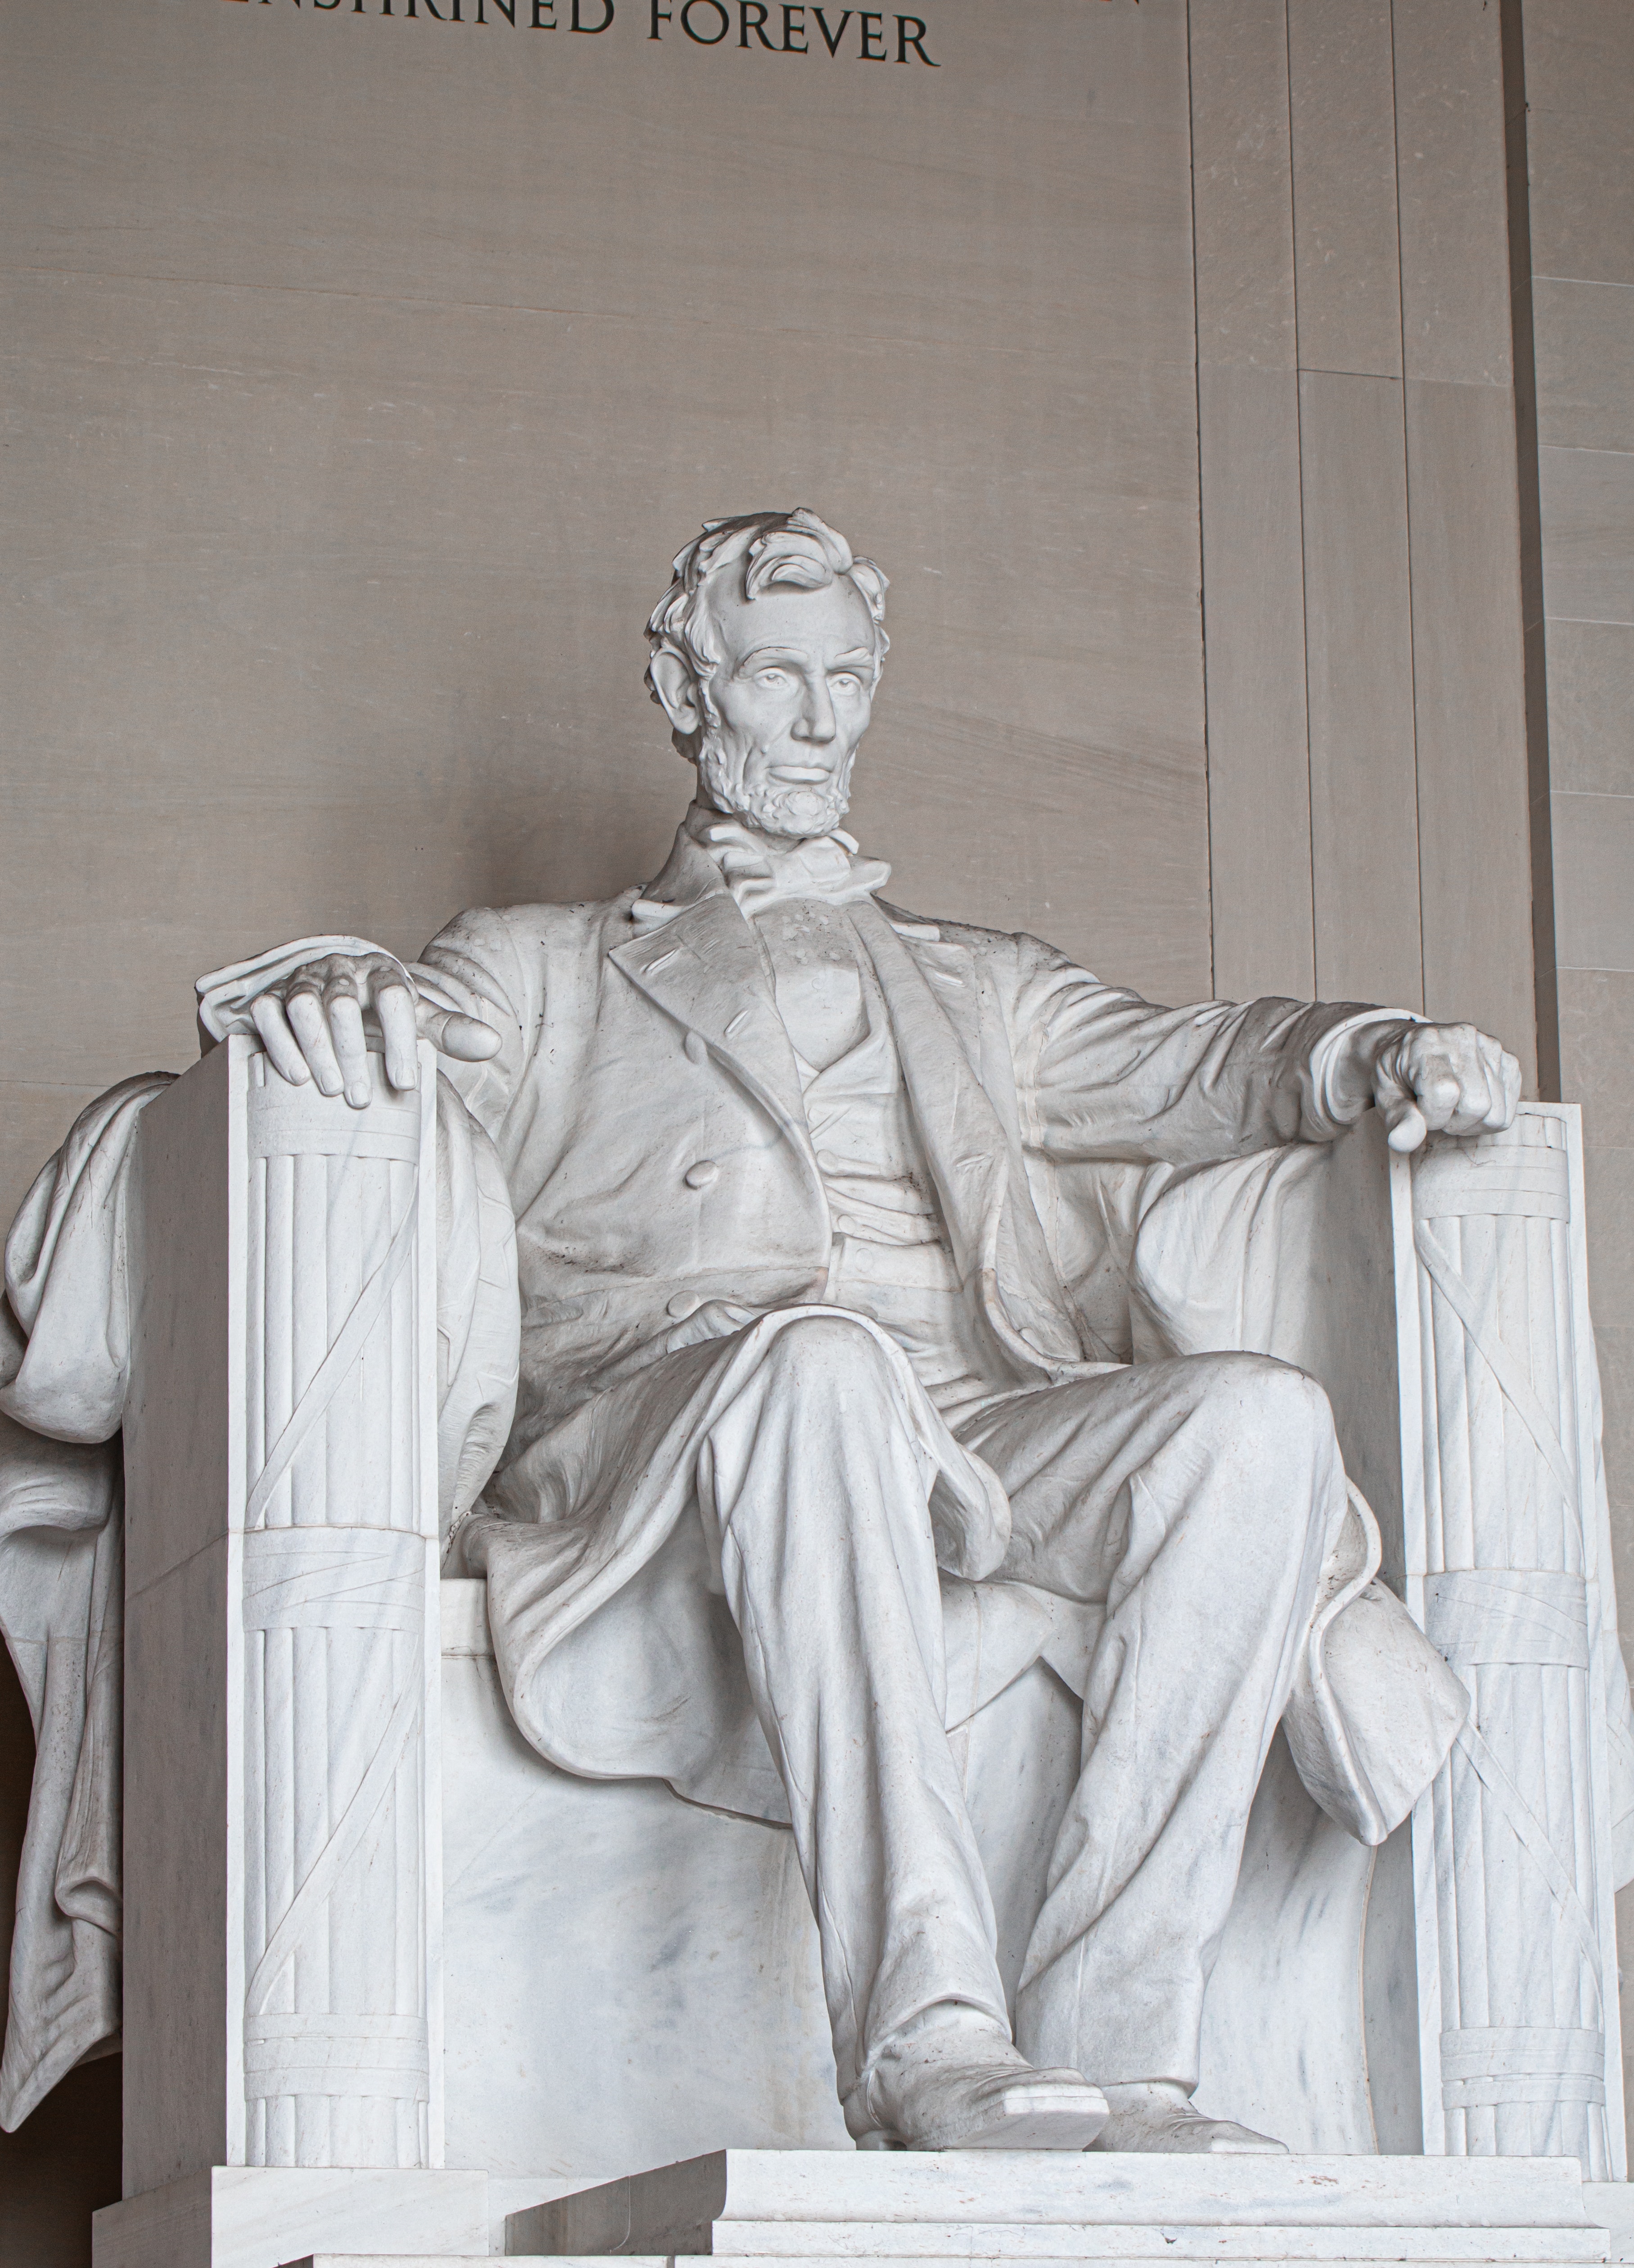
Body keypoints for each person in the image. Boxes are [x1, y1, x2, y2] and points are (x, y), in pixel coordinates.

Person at [195, 509, 1513, 2155]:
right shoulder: (542, 969)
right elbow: (385, 1019)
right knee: (821, 1364)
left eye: (847, 679)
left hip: (966, 1420)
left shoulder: (982, 984)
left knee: (1255, 1422)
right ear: (688, 692)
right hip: (671, 1427)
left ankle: (1124, 2058)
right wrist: (333, 988)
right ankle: (926, 2038)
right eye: (775, 678)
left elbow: (1204, 1063)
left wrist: (1376, 1052)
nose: (820, 722)